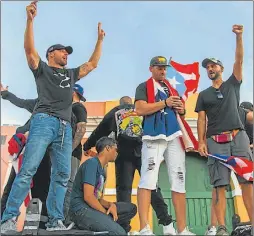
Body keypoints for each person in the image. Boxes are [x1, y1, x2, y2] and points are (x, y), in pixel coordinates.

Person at [1, 0, 105, 233]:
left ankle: (55, 220)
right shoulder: (43, 70)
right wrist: (30, 20)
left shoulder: (70, 74)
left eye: (68, 52)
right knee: (28, 170)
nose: (67, 54)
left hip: (64, 128)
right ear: (51, 54)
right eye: (63, 51)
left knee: (62, 175)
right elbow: (29, 51)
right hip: (43, 121)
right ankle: (8, 219)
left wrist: (99, 40)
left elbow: (92, 64)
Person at [83, 95, 176, 235]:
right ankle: (167, 223)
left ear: (120, 103)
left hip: (123, 155)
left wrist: (87, 145)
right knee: (152, 187)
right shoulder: (141, 109)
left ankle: (125, 228)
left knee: (123, 190)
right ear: (131, 103)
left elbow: (100, 130)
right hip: (143, 153)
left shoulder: (115, 111)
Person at [1, 83, 87, 226]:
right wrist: (5, 94)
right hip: (25, 150)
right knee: (15, 183)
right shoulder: (40, 103)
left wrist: (64, 153)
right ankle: (6, 219)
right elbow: (21, 102)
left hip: (47, 152)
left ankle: (48, 223)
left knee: (44, 188)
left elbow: (79, 129)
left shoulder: (71, 110)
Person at [195, 25, 253, 236]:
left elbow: (239, 60)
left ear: (221, 68)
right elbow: (201, 119)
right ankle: (221, 228)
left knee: (247, 182)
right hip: (215, 143)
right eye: (207, 67)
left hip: (238, 139)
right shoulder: (203, 95)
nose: (210, 69)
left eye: (213, 66)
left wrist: (239, 37)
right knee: (219, 186)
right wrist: (201, 141)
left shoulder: (232, 84)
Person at [134, 56, 195, 235]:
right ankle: (144, 227)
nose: (163, 71)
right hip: (154, 135)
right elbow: (140, 109)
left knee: (179, 179)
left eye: (164, 68)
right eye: (159, 68)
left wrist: (180, 108)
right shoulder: (144, 86)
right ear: (151, 68)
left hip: (174, 134)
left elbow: (181, 111)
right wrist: (165, 103)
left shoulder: (170, 88)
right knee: (148, 178)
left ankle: (182, 229)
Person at [69, 137, 137, 235]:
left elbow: (97, 198)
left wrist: (110, 205)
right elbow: (88, 197)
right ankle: (107, 227)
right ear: (108, 148)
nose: (117, 153)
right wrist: (104, 213)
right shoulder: (92, 164)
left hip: (91, 207)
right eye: (115, 149)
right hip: (81, 210)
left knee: (131, 209)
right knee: (119, 233)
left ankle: (106, 225)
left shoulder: (102, 170)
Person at [205, 105, 253, 236]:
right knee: (218, 185)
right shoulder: (215, 110)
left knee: (247, 184)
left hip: (243, 149)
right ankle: (215, 226)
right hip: (219, 144)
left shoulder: (242, 114)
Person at [63, 83, 88, 224]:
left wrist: (69, 150)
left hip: (71, 154)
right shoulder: (68, 109)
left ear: (73, 92)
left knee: (67, 185)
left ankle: (67, 220)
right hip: (67, 153)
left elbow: (82, 128)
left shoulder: (77, 107)